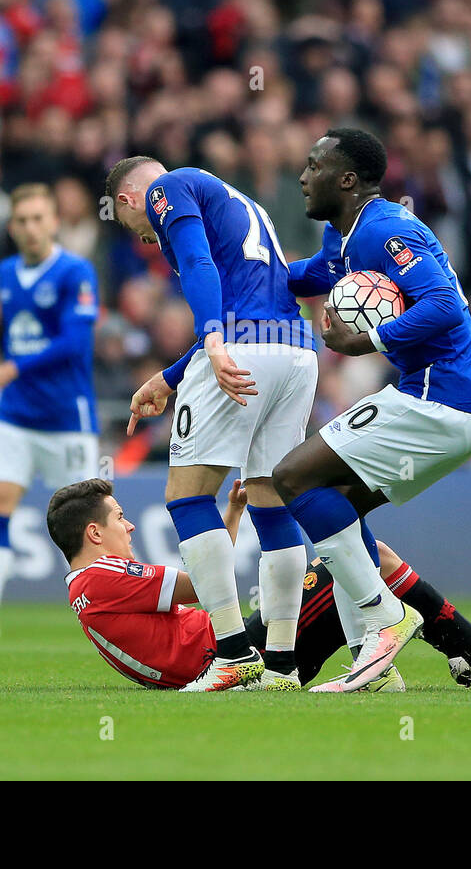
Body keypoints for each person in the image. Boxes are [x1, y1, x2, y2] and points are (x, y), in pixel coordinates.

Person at [272, 127, 471, 695]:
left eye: (314, 165)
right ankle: (385, 664)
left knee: (292, 476)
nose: (302, 175)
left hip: (442, 398)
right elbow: (316, 275)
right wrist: (249, 273)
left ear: (347, 179)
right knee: (334, 505)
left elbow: (442, 303)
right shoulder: (346, 234)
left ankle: (381, 621)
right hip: (440, 397)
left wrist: (373, 340)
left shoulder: (385, 229)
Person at [105, 157, 318, 691]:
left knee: (187, 498)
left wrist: (216, 342)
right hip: (295, 353)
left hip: (240, 350)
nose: (145, 239)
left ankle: (231, 654)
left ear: (128, 202)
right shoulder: (239, 199)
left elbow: (198, 264)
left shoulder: (166, 189)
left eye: (131, 226)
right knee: (270, 499)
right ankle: (282, 665)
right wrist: (173, 376)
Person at [54, 479, 471, 691]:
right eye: (120, 518)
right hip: (242, 660)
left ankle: (462, 654)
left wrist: (231, 513)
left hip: (233, 650)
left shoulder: (89, 586)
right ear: (93, 533)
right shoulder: (102, 580)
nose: (131, 526)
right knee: (361, 553)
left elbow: (211, 582)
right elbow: (205, 588)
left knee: (357, 557)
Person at [0, 182, 99, 639]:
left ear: (53, 222)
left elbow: (74, 343)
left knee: (89, 522)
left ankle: (113, 614)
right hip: (14, 416)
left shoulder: (75, 272)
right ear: (12, 227)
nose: (30, 228)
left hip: (67, 417)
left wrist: (10, 368)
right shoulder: (6, 273)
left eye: (38, 218)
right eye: (21, 220)